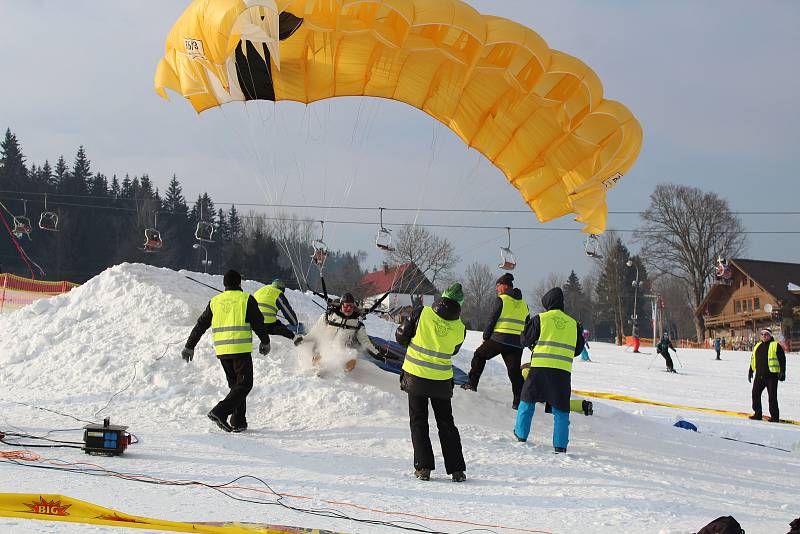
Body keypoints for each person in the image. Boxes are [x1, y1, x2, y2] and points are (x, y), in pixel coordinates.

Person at [181, 270, 271, 433]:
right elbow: (258, 323)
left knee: (236, 387)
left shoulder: (215, 301)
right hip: (240, 349)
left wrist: (189, 345)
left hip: (223, 350)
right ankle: (219, 411)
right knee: (244, 385)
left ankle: (238, 422)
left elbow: (201, 324)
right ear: (239, 283)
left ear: (224, 284)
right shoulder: (246, 299)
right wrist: (265, 341)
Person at [395, 283, 467, 482]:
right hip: (441, 381)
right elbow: (453, 350)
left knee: (419, 421)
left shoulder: (422, 313)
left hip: (416, 376)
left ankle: (423, 467)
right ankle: (457, 469)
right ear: (460, 303)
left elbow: (401, 336)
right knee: (446, 424)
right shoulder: (460, 327)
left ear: (442, 297)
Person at [514, 287, 584, 453]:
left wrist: (525, 330)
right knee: (561, 409)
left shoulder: (540, 319)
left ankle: (521, 434)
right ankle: (560, 445)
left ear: (547, 303)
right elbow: (578, 350)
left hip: (539, 368)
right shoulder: (573, 324)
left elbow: (524, 341)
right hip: (562, 372)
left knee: (527, 400)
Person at [461, 273, 529, 409]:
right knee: (515, 372)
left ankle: (471, 384)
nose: (496, 290)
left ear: (504, 286)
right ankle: (518, 402)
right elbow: (527, 323)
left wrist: (486, 337)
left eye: (497, 286)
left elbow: (492, 319)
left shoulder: (501, 300)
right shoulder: (524, 304)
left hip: (500, 339)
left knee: (479, 355)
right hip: (516, 343)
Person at [300, 292, 382, 371]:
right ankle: (318, 366)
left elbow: (365, 342)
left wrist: (377, 353)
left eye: (351, 306)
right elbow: (315, 332)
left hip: (341, 351)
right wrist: (303, 340)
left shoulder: (357, 324)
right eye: (346, 306)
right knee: (320, 354)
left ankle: (339, 371)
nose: (349, 309)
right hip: (322, 348)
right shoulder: (328, 317)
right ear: (341, 305)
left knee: (351, 356)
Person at [748, 328, 786, 422]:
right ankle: (757, 414)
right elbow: (753, 359)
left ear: (770, 335)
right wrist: (750, 371)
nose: (764, 336)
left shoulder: (775, 345)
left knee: (772, 397)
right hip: (759, 376)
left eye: (766, 334)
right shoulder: (757, 346)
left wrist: (782, 372)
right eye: (762, 334)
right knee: (755, 394)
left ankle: (774, 417)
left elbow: (782, 360)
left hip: (771, 376)